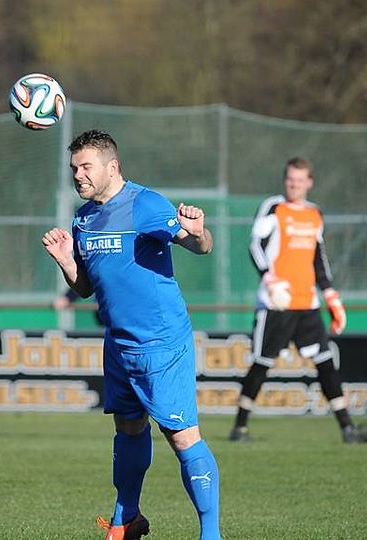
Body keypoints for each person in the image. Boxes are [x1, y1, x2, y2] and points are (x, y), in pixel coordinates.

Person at [42, 130, 221, 540]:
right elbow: (85, 288)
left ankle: (211, 534)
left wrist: (197, 232)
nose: (78, 175)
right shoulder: (83, 218)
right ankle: (127, 519)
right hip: (118, 345)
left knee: (182, 437)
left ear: (112, 167)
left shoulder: (145, 204)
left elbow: (201, 247)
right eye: (74, 168)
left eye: (86, 167)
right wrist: (67, 262)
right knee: (128, 430)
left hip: (162, 343)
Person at [229, 156, 367, 445]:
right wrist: (269, 278)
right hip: (277, 304)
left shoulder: (314, 213)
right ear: (284, 180)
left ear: (309, 182)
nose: (294, 185)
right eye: (290, 179)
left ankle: (348, 429)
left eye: (299, 180)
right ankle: (240, 427)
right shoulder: (274, 207)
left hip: (307, 304)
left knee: (325, 362)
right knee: (262, 363)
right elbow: (255, 245)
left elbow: (318, 257)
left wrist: (331, 296)